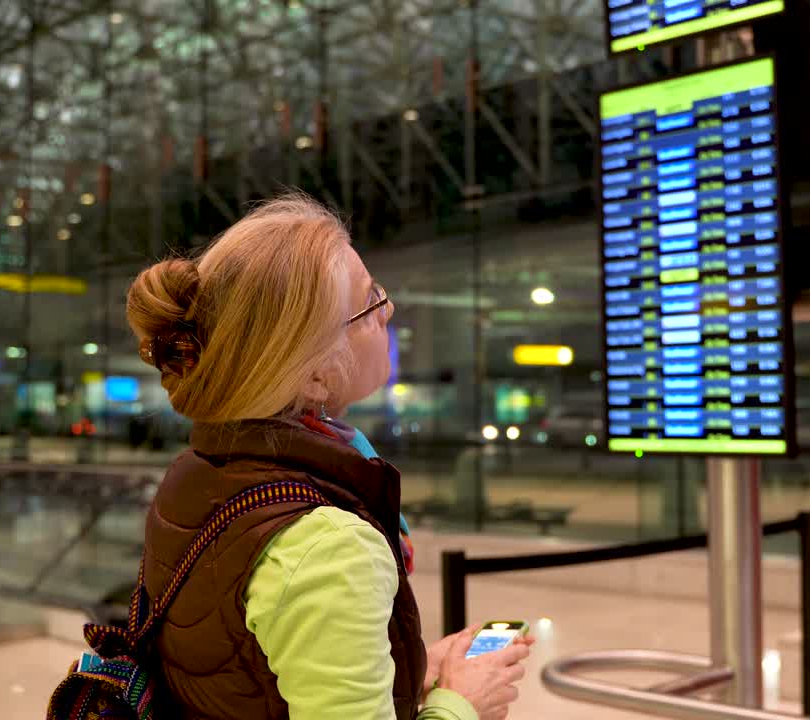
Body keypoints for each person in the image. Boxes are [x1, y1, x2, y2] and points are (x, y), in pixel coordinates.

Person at [125, 194, 530, 720]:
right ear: (314, 372)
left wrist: (410, 669)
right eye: (369, 302)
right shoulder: (329, 544)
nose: (389, 309)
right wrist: (463, 703)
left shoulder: (200, 473)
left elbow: (248, 668)